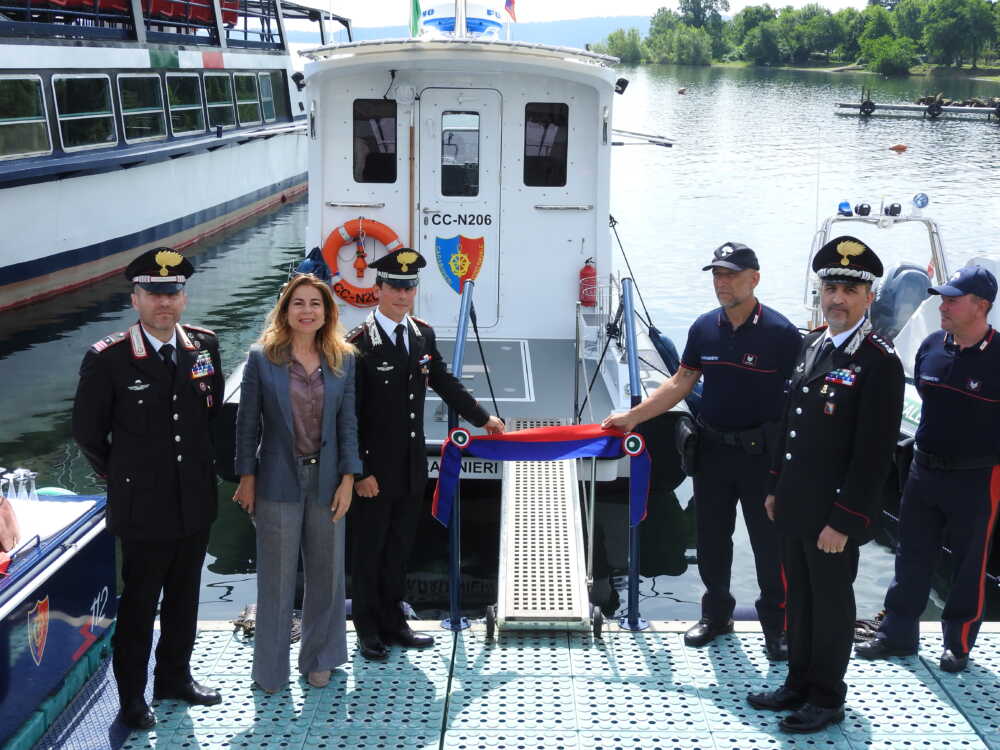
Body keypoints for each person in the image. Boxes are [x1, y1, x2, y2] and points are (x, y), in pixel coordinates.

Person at [602, 242, 801, 659]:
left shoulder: (781, 334)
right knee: (711, 540)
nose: (722, 282)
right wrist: (633, 417)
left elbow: (799, 401)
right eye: (717, 275)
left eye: (731, 274)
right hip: (712, 453)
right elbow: (680, 382)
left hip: (762, 457)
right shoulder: (704, 328)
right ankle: (716, 616)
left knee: (770, 546)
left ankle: (778, 627)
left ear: (754, 279)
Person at [748, 236, 904, 733]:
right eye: (831, 288)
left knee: (832, 605)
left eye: (849, 290)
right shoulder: (813, 344)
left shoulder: (879, 362)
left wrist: (845, 521)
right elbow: (790, 426)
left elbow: (873, 456)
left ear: (869, 297)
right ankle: (797, 683)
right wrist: (774, 487)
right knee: (799, 598)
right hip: (796, 503)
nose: (837, 299)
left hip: (833, 515)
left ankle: (826, 697)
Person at [72, 248, 224, 731]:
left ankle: (175, 677)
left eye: (173, 293)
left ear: (184, 297)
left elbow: (211, 416)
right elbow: (87, 433)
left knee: (185, 597)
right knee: (139, 605)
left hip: (194, 498)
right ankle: (132, 698)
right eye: (154, 293)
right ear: (135, 298)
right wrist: (123, 476)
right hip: (142, 505)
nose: (164, 303)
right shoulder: (109, 358)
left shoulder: (204, 346)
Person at [349, 248, 505, 661]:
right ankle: (367, 628)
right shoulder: (358, 344)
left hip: (410, 466)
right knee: (368, 551)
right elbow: (348, 415)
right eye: (395, 287)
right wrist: (359, 471)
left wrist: (482, 417)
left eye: (409, 287)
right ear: (378, 289)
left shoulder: (421, 335)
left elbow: (443, 380)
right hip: (373, 470)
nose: (403, 295)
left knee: (399, 548)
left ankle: (394, 621)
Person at [856, 265, 999, 674]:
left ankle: (958, 644)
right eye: (942, 298)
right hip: (923, 470)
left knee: (969, 564)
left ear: (981, 306)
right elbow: (922, 388)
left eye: (953, 299)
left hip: (977, 477)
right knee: (910, 555)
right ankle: (898, 634)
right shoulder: (931, 346)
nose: (942, 305)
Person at [233, 273, 362, 692]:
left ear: (327, 313)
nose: (307, 311)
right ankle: (270, 671)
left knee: (327, 575)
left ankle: (321, 657)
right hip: (276, 480)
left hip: (328, 481)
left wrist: (348, 479)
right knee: (276, 580)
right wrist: (246, 478)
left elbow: (348, 425)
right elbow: (246, 425)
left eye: (315, 304)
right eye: (299, 303)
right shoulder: (262, 358)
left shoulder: (343, 359)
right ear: (285, 310)